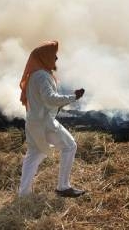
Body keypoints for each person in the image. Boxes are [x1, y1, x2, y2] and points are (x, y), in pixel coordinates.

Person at [18, 40, 86, 198]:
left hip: (33, 122)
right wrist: (73, 97)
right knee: (70, 146)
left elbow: (42, 99)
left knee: (34, 153)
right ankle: (63, 187)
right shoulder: (42, 76)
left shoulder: (34, 75)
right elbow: (50, 98)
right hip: (45, 123)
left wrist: (63, 100)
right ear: (44, 57)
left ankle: (24, 193)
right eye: (53, 55)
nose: (56, 59)